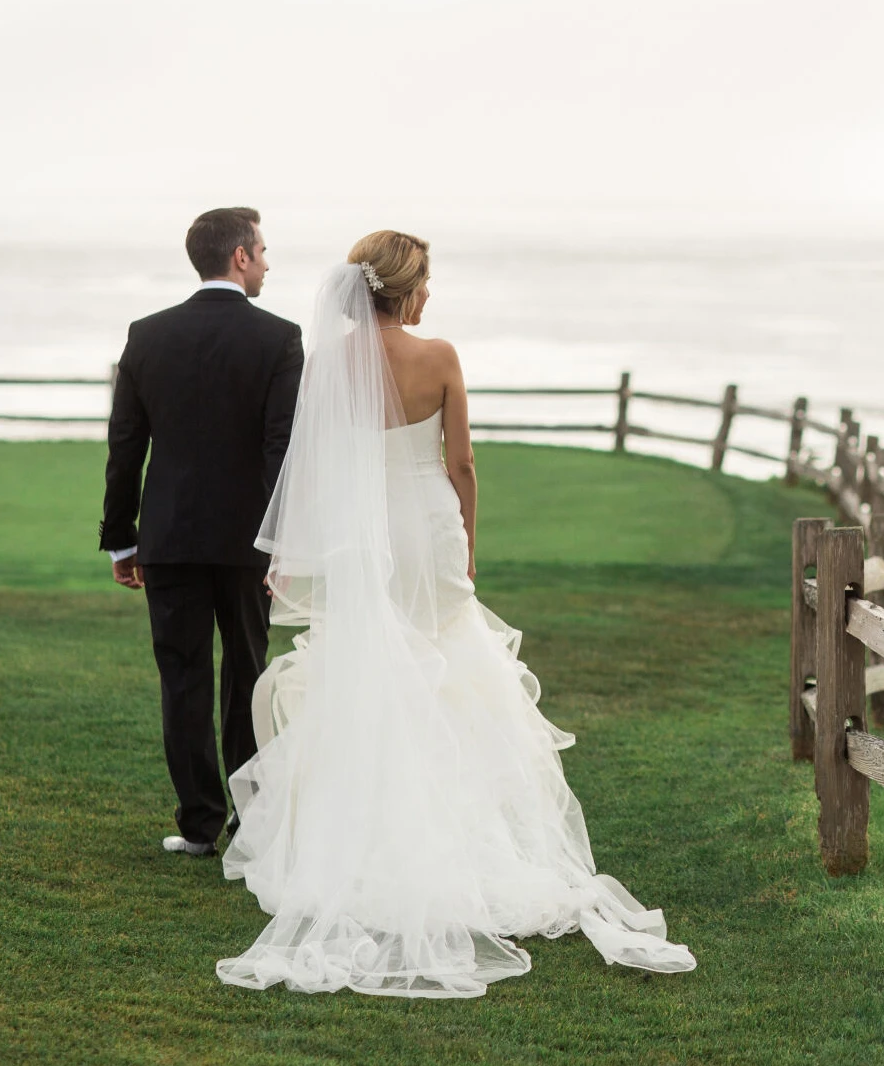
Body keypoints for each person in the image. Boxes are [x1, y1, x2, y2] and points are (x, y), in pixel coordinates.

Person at [215, 231, 694, 997]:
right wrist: (466, 539)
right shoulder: (438, 356)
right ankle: (472, 843)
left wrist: (299, 555)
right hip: (427, 528)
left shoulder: (330, 362)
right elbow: (461, 463)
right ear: (405, 287)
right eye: (427, 280)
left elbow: (310, 465)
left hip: (363, 537)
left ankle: (366, 841)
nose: (430, 294)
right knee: (451, 663)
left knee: (370, 671)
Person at [100, 207, 302, 857]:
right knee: (247, 671)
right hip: (250, 543)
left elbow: (125, 445)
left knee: (183, 678)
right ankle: (250, 821)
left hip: (170, 537)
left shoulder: (147, 334)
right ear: (239, 257)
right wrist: (283, 539)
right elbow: (282, 449)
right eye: (263, 251)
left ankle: (199, 825)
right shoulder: (279, 338)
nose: (268, 263)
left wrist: (122, 538)